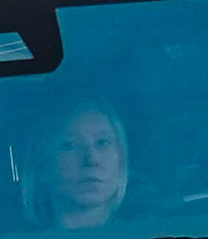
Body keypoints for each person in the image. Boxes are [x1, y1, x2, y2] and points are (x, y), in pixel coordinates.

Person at [22, 98, 129, 230]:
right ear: (42, 166)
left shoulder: (147, 236)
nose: (91, 160)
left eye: (102, 143)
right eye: (70, 145)